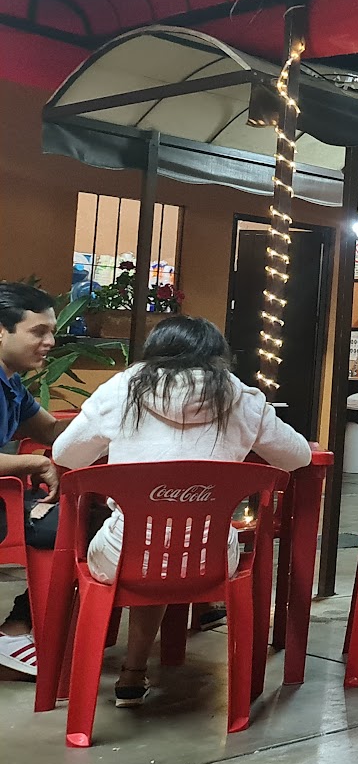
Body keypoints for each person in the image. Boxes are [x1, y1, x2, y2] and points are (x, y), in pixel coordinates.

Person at [51, 316, 312, 707]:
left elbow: (66, 455)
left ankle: (130, 670)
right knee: (183, 539)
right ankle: (153, 661)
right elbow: (298, 457)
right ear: (218, 355)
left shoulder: (122, 389)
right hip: (211, 559)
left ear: (154, 351)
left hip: (121, 557)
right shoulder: (242, 398)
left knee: (149, 541)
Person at [0, 284, 73, 676]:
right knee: (78, 525)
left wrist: (109, 423)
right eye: (39, 331)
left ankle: (22, 627)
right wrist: (33, 464)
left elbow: (50, 431)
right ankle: (15, 633)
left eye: (52, 332)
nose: (50, 342)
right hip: (3, 508)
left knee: (90, 515)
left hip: (5, 501)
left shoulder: (10, 383)